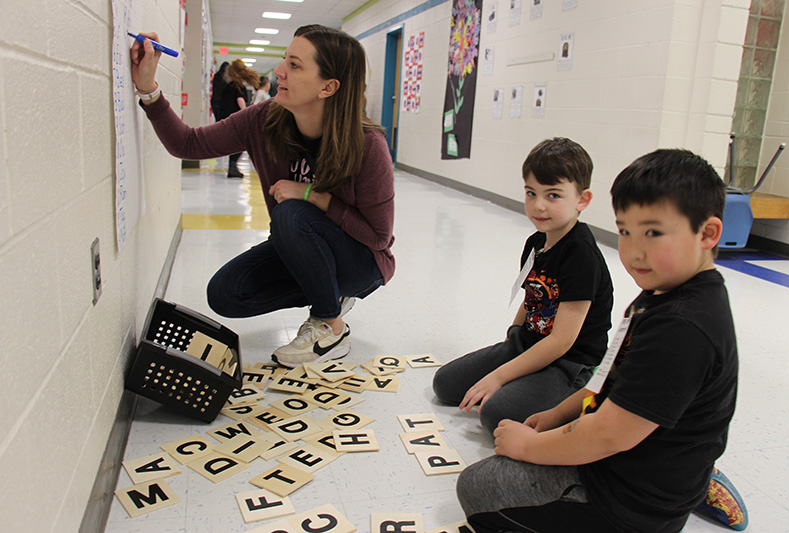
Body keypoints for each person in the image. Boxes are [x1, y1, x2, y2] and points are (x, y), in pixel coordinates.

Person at [456, 149, 740, 533]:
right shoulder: (658, 292)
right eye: (625, 231)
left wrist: (529, 447)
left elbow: (609, 433)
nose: (634, 252)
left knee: (477, 488)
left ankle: (699, 484)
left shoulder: (684, 326)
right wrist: (558, 415)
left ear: (706, 233)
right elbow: (608, 376)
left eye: (653, 233)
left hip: (632, 504)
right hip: (626, 456)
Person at [130, 25, 395, 367]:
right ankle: (327, 292)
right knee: (225, 293)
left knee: (291, 213)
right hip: (302, 243)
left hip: (361, 262)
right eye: (285, 59)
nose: (279, 72)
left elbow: (379, 237)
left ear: (328, 87)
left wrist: (314, 195)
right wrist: (148, 89)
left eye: (295, 65)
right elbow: (189, 144)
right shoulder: (264, 119)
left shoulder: (367, 144)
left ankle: (330, 324)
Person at [432, 138, 613, 434]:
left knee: (495, 414)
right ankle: (523, 375)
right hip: (529, 344)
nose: (538, 206)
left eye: (553, 195)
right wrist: (510, 344)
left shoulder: (581, 255)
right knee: (445, 384)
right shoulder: (537, 240)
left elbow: (562, 341)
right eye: (531, 193)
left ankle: (567, 394)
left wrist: (500, 376)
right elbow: (532, 295)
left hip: (569, 363)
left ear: (583, 200)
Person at [217, 59, 260, 178]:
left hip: (225, 119)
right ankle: (232, 167)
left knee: (235, 143)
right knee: (240, 143)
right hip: (236, 120)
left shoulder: (228, 87)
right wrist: (246, 113)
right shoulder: (239, 87)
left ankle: (232, 167)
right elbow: (240, 100)